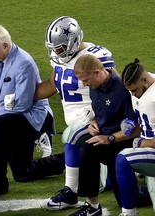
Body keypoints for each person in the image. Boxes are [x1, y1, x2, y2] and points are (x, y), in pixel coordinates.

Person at [37, 16, 117, 210]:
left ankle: (71, 192)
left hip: (97, 122)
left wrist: (99, 114)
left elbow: (116, 88)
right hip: (79, 123)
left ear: (73, 41)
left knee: (70, 137)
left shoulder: (96, 56)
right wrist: (23, 98)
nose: (56, 52)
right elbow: (53, 84)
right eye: (54, 48)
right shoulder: (58, 59)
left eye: (60, 48)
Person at [0, 25, 64, 199]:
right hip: (11, 115)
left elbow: (23, 104)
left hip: (33, 116)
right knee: (22, 173)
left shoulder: (23, 63)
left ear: (6, 46)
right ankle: (69, 159)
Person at [67, 54, 140, 216]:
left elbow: (136, 128)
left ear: (97, 72)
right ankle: (92, 206)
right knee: (86, 147)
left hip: (123, 141)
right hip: (105, 138)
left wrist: (110, 138)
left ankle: (136, 201)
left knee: (124, 198)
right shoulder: (94, 88)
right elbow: (99, 112)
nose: (84, 84)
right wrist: (94, 122)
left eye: (86, 80)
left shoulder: (122, 90)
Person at [116, 59, 155, 216]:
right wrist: (132, 125)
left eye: (134, 90)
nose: (133, 94)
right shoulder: (144, 85)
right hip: (149, 147)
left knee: (123, 159)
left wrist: (140, 141)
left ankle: (129, 212)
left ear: (144, 80)